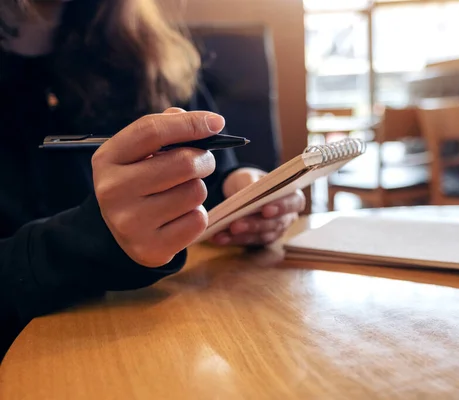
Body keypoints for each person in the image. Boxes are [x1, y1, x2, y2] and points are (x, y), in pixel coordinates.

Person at [0, 0, 305, 360]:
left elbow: (206, 174)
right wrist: (91, 240)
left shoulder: (146, 49)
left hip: (154, 336)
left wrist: (238, 195)